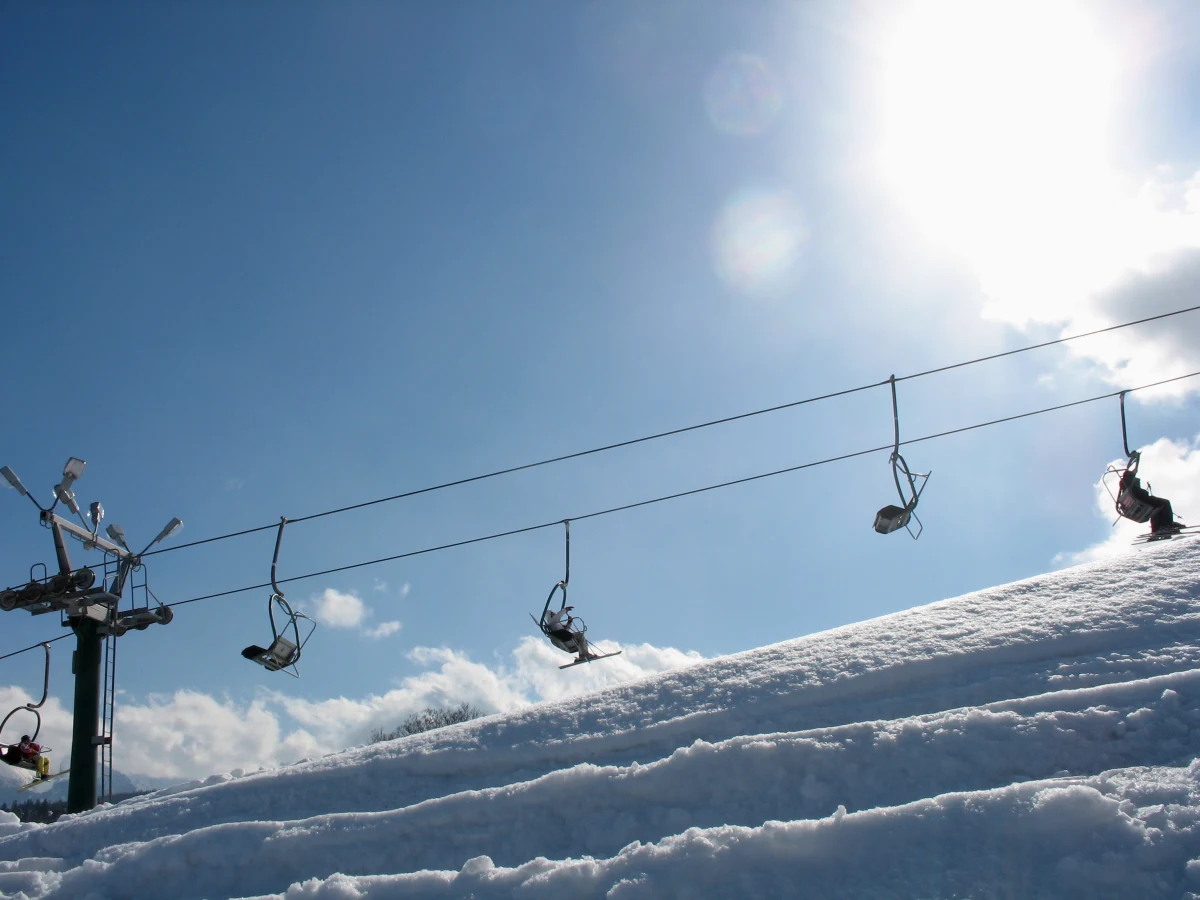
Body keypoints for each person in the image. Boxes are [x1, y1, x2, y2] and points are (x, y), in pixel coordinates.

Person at [1119, 466, 1183, 535]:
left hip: (1140, 501)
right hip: (1141, 500)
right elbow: (1131, 481)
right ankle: (1167, 525)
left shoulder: (1125, 487)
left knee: (1155, 508)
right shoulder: (1127, 482)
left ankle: (1157, 527)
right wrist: (1133, 473)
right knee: (1165, 503)